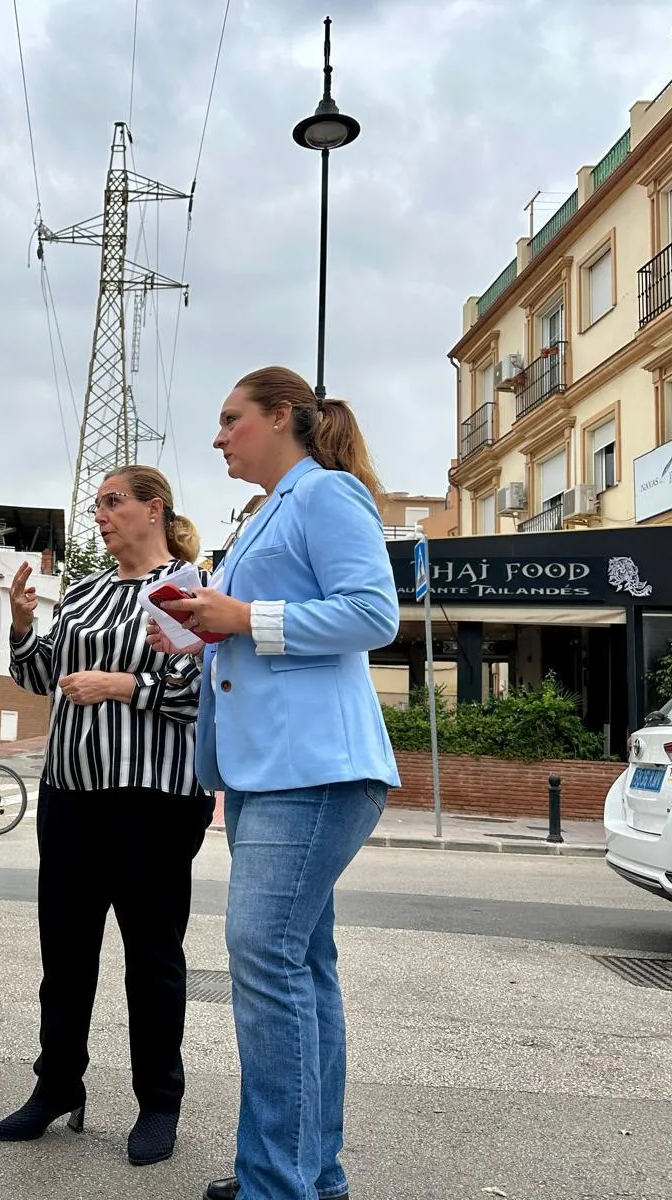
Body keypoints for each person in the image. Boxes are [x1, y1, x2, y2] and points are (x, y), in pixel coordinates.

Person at [155, 366, 399, 1200]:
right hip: (275, 769)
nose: (218, 436)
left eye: (232, 419)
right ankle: (307, 1175)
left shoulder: (326, 492)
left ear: (282, 417)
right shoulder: (269, 511)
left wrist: (244, 617)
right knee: (300, 969)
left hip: (314, 768)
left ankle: (277, 1183)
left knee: (265, 960)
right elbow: (268, 630)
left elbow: (373, 613)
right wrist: (204, 631)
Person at [0, 465, 212, 1168]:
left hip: (154, 798)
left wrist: (122, 686)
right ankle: (57, 1084)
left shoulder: (187, 587)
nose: (101, 515)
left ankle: (159, 1102)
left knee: (153, 957)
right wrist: (22, 625)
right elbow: (41, 678)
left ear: (155, 509)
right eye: (97, 505)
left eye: (114, 502)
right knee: (64, 953)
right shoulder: (84, 591)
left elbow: (194, 689)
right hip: (71, 794)